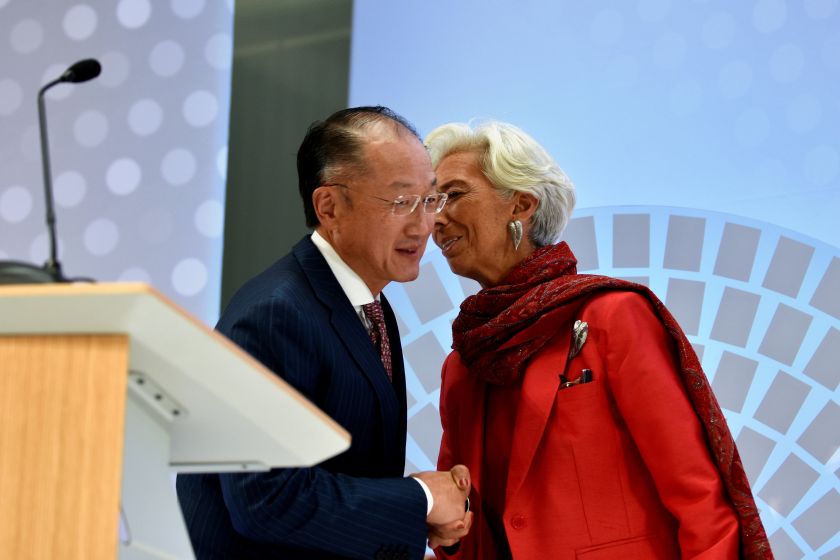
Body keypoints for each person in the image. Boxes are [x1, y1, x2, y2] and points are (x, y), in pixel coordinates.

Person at [424, 120, 773, 559]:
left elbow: (698, 495)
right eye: (430, 200)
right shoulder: (463, 363)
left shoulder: (612, 315)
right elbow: (466, 525)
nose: (436, 218)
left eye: (453, 195)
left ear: (522, 204)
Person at [177, 106, 472, 560]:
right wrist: (422, 500)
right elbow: (265, 499)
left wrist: (411, 517)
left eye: (429, 199)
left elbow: (348, 471)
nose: (423, 225)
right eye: (400, 202)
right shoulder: (276, 314)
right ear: (329, 207)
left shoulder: (372, 302)